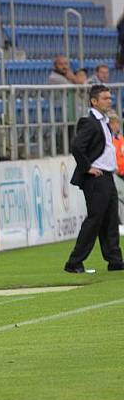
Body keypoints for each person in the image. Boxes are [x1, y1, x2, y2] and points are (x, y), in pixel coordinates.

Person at [65, 85, 124, 272]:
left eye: (110, 97)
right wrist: (88, 167)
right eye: (105, 98)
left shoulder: (104, 121)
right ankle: (74, 262)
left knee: (111, 219)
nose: (109, 101)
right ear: (94, 101)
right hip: (96, 179)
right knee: (95, 219)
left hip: (107, 176)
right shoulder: (89, 122)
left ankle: (114, 260)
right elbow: (76, 146)